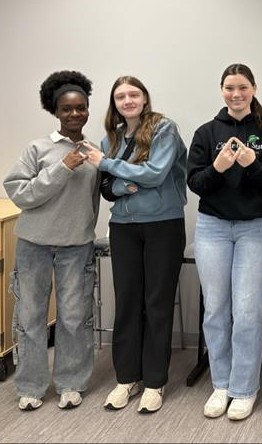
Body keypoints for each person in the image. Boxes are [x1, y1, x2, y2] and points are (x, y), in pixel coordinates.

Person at [187, 63, 262, 421]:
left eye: (242, 87)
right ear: (222, 90)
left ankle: (244, 389)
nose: (236, 94)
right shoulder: (205, 132)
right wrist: (218, 167)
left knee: (246, 310)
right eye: (230, 87)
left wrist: (250, 162)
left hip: (255, 229)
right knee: (215, 309)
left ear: (254, 89)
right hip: (212, 227)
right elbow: (195, 184)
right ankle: (221, 385)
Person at [83, 76, 187, 414]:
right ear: (114, 103)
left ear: (144, 98)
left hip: (162, 226)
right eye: (120, 96)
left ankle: (154, 383)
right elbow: (107, 189)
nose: (128, 100)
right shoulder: (109, 138)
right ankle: (127, 379)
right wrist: (125, 184)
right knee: (127, 303)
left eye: (134, 94)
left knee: (156, 304)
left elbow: (156, 173)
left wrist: (110, 166)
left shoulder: (163, 129)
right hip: (123, 227)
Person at [3, 70, 99, 411]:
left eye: (81, 108)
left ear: (88, 109)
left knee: (74, 317)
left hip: (77, 245)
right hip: (34, 244)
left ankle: (71, 383)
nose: (74, 114)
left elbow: (97, 196)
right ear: (55, 111)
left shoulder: (95, 150)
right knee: (31, 317)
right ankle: (30, 386)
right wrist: (63, 167)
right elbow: (20, 193)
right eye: (67, 109)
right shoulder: (38, 148)